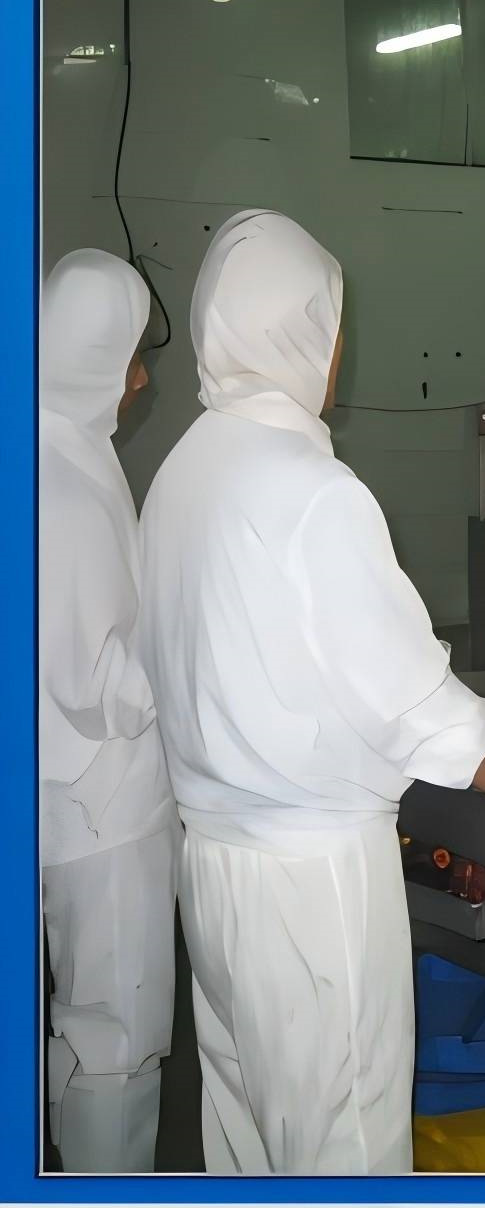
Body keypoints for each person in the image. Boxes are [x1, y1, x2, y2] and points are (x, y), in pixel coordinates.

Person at [136, 210, 485, 1175]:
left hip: (213, 869)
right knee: (343, 1149)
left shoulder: (180, 472)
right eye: (333, 323)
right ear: (300, 329)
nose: (338, 348)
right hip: (313, 887)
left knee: (247, 1141)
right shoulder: (311, 489)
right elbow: (392, 679)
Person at [40, 249, 178, 1174]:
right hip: (102, 808)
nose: (141, 381)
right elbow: (93, 682)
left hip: (77, 797)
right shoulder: (57, 485)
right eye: (131, 358)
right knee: (117, 1039)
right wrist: (191, 645)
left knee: (84, 1027)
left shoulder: (64, 446)